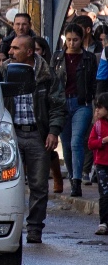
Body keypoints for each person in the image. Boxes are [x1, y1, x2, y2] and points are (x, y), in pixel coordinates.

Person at [3, 35, 64, 243]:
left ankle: (35, 228)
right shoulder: (4, 71)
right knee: (9, 183)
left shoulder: (46, 75)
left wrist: (53, 131)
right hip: (11, 135)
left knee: (38, 185)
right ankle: (10, 227)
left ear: (29, 52)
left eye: (15, 48)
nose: (10, 52)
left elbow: (57, 104)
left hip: (38, 136)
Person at [51, 23, 98, 195]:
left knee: (76, 141)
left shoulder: (89, 58)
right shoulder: (57, 58)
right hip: (62, 105)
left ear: (81, 39)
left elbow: (94, 82)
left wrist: (93, 103)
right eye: (69, 40)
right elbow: (53, 82)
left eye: (75, 40)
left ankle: (77, 181)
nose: (72, 43)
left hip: (81, 104)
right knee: (67, 144)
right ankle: (72, 176)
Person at [87, 94, 108, 235]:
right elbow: (90, 143)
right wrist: (103, 141)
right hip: (102, 165)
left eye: (100, 107)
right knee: (104, 195)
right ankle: (103, 223)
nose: (97, 111)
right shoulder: (98, 125)